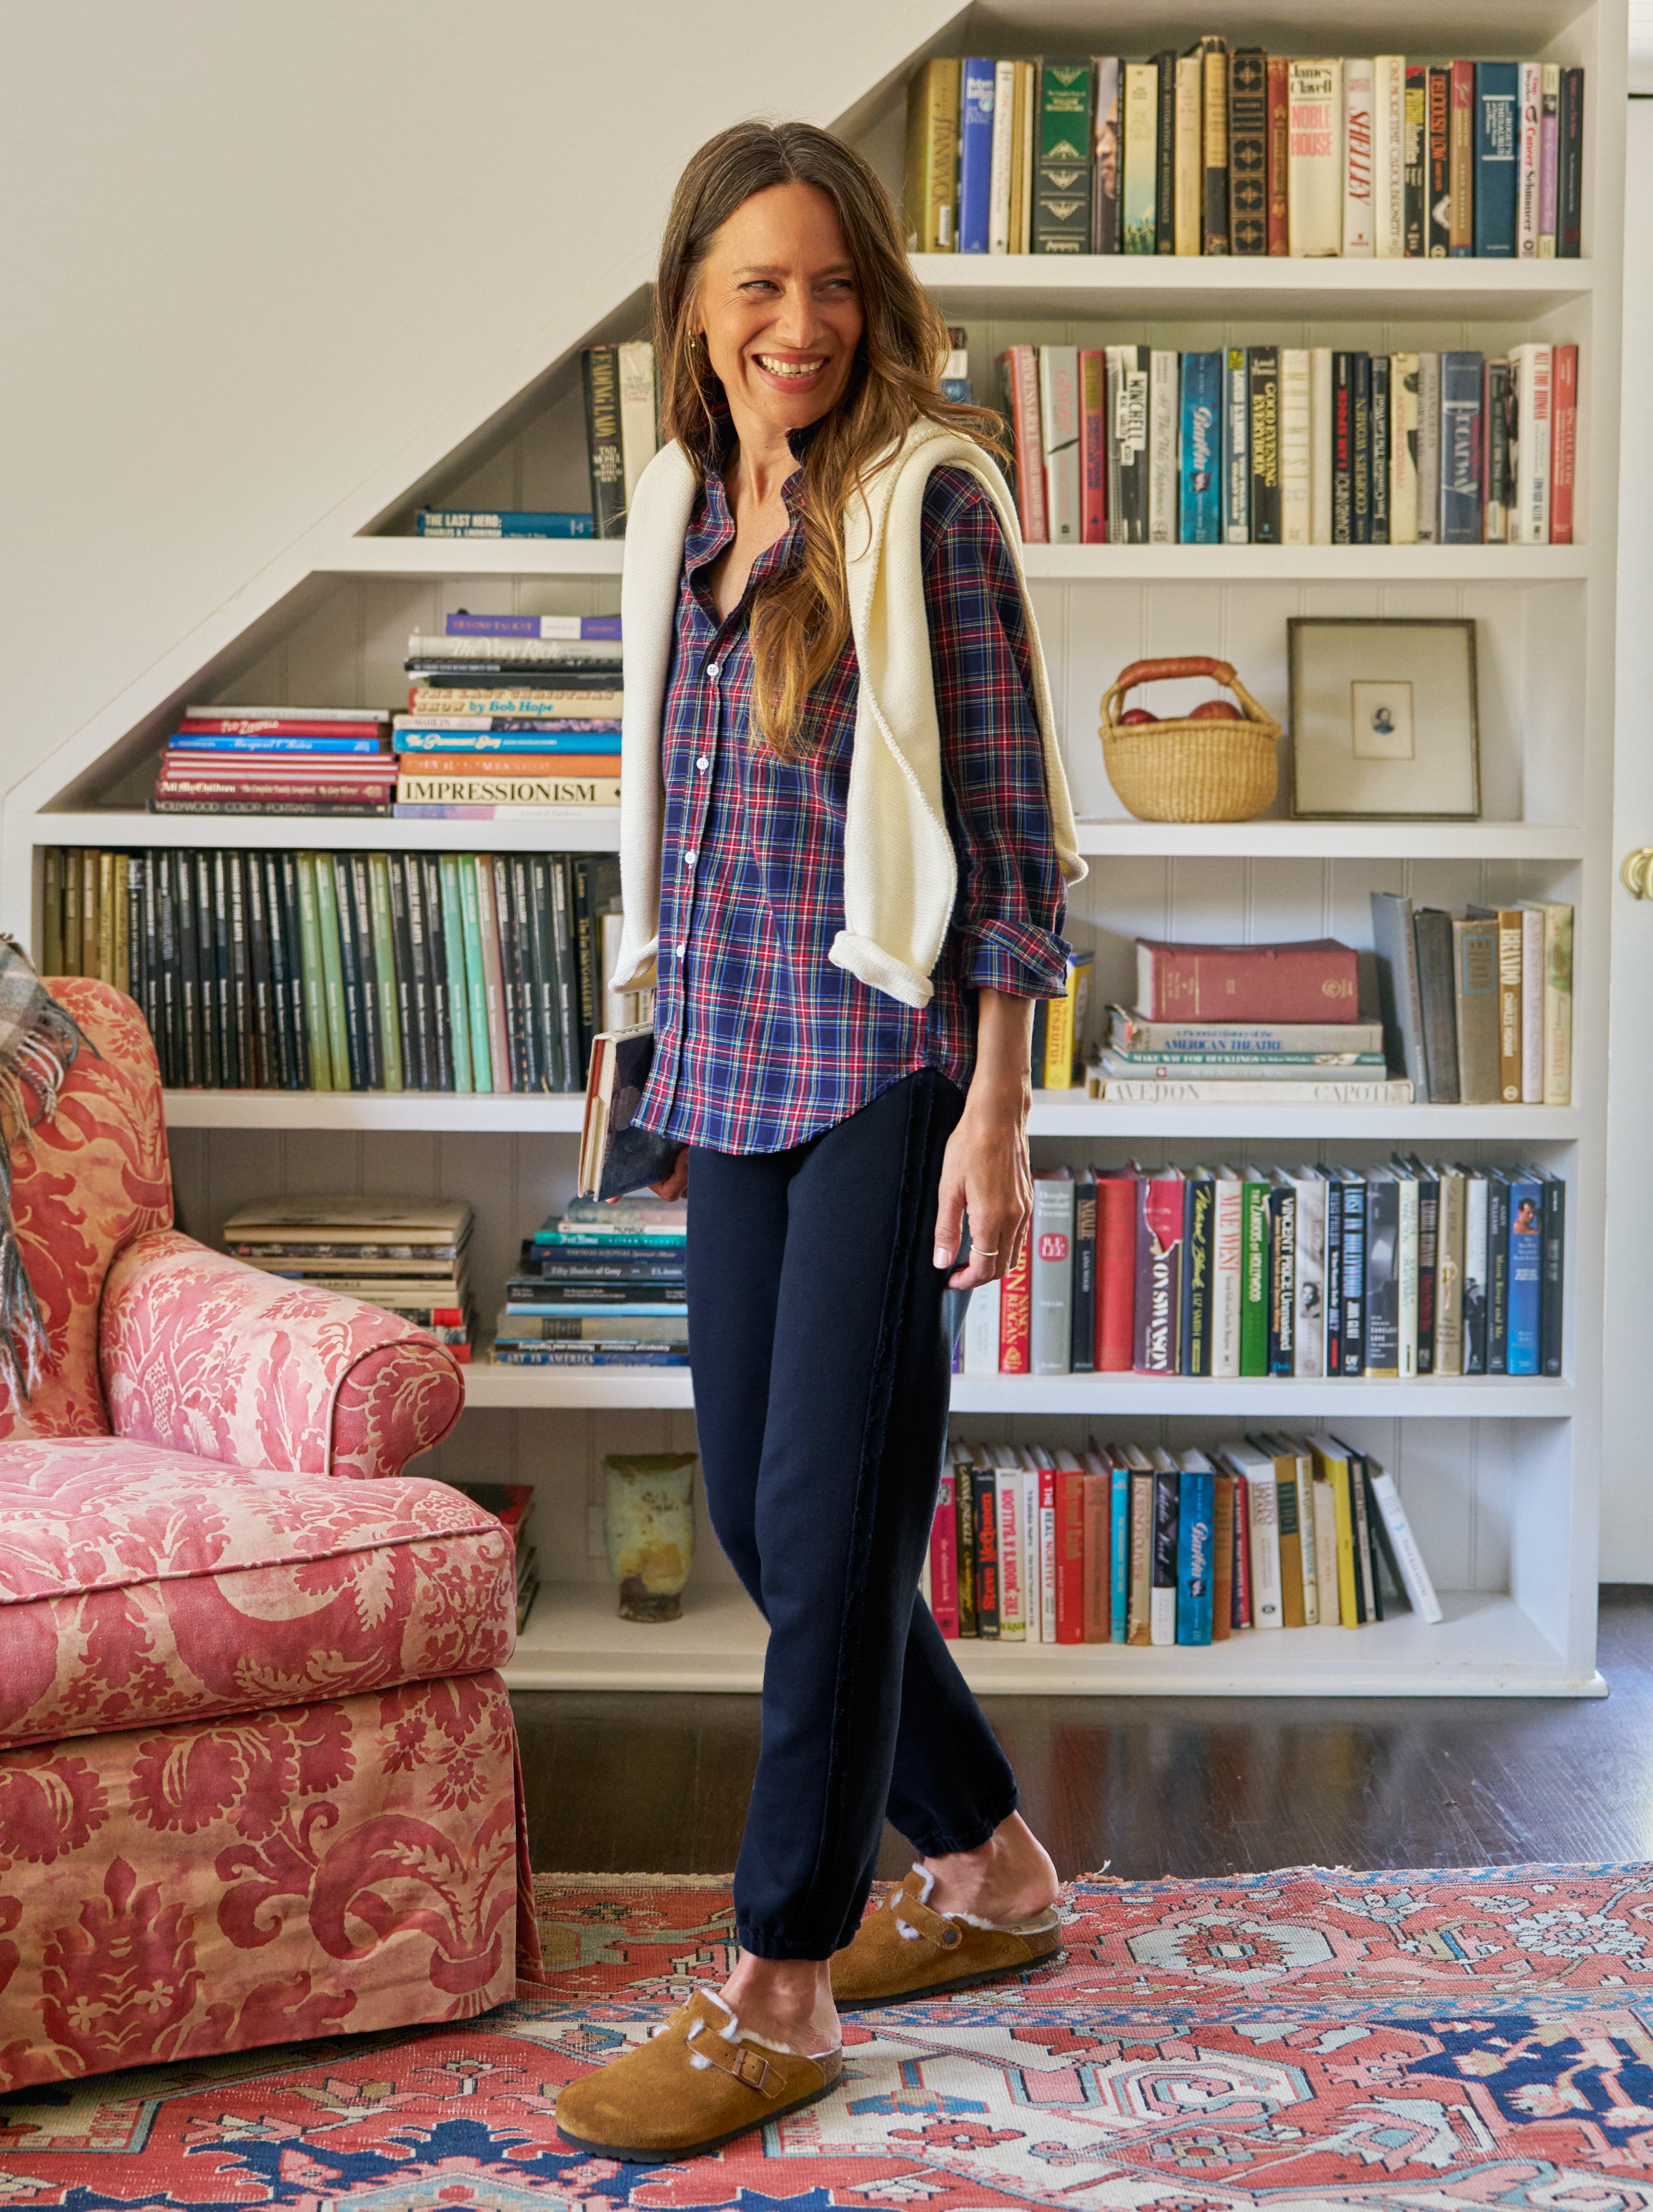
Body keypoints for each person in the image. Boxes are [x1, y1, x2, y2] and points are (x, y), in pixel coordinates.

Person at [554, 119, 1086, 2166]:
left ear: (874, 304)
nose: (800, 324)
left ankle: (780, 1987)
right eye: (758, 284)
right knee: (786, 1530)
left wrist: (1001, 1108)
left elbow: (1020, 842)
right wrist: (641, 1027)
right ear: (692, 297)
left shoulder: (927, 501)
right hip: (729, 1059)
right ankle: (998, 1873)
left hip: (884, 1067)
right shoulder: (690, 500)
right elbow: (671, 810)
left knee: (832, 1526)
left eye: (832, 286)